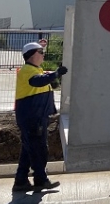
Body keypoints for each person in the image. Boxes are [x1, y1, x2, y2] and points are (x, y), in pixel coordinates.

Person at [12, 42, 68, 193]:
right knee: (39, 149)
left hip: (35, 117)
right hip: (32, 118)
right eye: (41, 52)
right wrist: (56, 74)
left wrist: (53, 79)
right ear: (32, 55)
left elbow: (43, 83)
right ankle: (40, 180)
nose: (43, 55)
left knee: (28, 150)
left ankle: (21, 181)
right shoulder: (27, 71)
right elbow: (38, 81)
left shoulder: (36, 70)